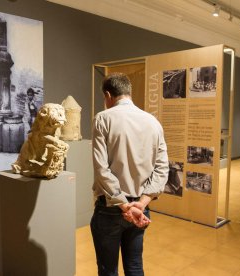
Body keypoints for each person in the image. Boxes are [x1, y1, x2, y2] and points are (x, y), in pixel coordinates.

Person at [91, 72, 169, 276]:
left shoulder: (103, 118)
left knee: (108, 269)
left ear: (108, 95)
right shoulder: (153, 122)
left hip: (111, 207)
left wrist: (124, 204)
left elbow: (101, 169)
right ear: (128, 92)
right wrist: (140, 204)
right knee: (134, 265)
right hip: (140, 208)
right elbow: (162, 169)